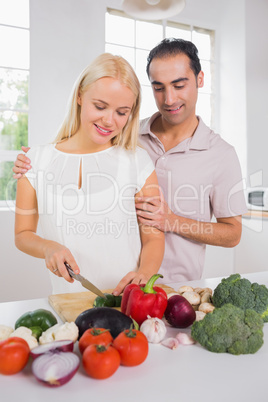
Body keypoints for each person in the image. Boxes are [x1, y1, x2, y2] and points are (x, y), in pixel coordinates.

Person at [13, 39, 247, 284]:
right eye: (158, 87)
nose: (169, 99)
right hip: (114, 288)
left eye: (179, 85)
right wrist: (40, 159)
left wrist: (172, 222)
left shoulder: (219, 154)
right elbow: (81, 151)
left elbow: (232, 234)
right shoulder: (129, 137)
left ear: (200, 79)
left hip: (178, 286)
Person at [14, 53, 165, 296]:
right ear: (80, 96)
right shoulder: (35, 161)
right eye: (100, 106)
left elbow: (153, 238)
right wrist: (47, 247)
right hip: (67, 302)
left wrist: (145, 275)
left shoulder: (138, 161)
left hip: (125, 302)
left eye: (121, 112)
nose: (109, 120)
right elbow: (22, 234)